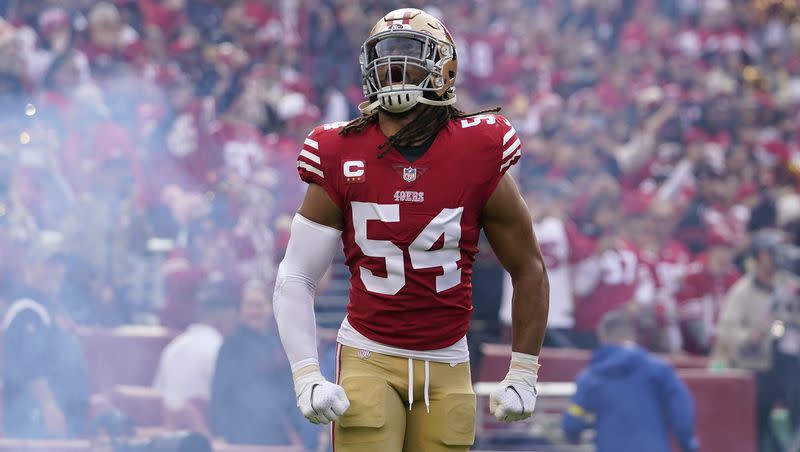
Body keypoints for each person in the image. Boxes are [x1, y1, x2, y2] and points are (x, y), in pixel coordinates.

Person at [272, 8, 549, 452]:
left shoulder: (479, 149)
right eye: (386, 57)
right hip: (369, 354)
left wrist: (524, 372)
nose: (395, 68)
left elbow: (529, 266)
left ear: (445, 68)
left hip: (448, 359)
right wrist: (306, 374)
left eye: (411, 57)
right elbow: (296, 275)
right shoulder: (339, 150)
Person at [711, 230, 800, 452]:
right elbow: (727, 328)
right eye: (767, 253)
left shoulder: (789, 285)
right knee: (757, 422)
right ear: (757, 256)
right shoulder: (742, 291)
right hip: (756, 365)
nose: (772, 258)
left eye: (775, 253)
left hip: (788, 363)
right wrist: (747, 337)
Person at [562, 310, 698, 452]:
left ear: (603, 336)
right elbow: (681, 414)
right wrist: (688, 445)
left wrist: (573, 437)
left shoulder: (591, 377)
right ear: (632, 336)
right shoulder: (660, 370)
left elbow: (572, 422)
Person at [210, 279, 320, 448]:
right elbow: (220, 392)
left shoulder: (281, 342)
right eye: (249, 306)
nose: (254, 312)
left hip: (279, 435)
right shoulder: (231, 345)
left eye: (259, 305)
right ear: (241, 310)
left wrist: (297, 428)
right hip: (241, 435)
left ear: (270, 308)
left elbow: (291, 389)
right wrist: (219, 434)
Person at [152, 279, 239, 412]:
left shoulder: (173, 347)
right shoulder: (219, 349)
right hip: (206, 429)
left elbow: (158, 396)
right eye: (233, 320)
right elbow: (230, 402)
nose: (234, 326)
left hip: (170, 427)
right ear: (222, 317)